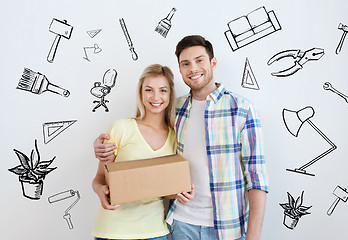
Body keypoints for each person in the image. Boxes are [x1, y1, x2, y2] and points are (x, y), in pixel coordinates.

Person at [94, 35, 269, 240]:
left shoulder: (241, 109)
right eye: (185, 63)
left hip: (227, 227)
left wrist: (254, 235)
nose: (193, 68)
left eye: (200, 60)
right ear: (180, 70)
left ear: (213, 62)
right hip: (181, 224)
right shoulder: (175, 110)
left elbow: (256, 178)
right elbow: (144, 136)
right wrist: (101, 145)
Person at [91, 64, 179, 240]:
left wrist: (181, 193)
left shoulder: (176, 138)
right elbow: (99, 178)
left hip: (155, 231)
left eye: (162, 90)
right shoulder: (121, 128)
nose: (156, 97)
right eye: (149, 90)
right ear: (141, 93)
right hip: (113, 231)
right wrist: (101, 191)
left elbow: (167, 190)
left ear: (170, 95)